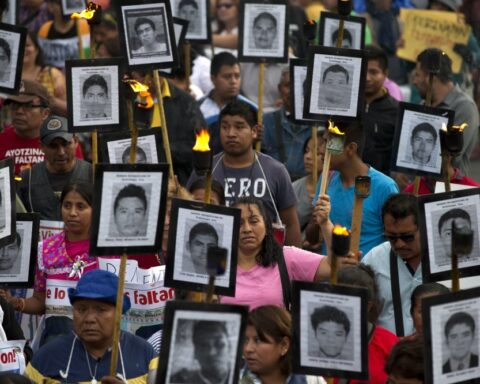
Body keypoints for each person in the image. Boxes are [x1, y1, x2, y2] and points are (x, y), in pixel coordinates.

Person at [188, 100, 302, 247]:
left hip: (265, 262)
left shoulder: (275, 171)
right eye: (225, 127)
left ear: (254, 131)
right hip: (215, 260)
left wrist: (293, 266)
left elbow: (291, 224)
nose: (231, 134)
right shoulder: (204, 170)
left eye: (239, 127)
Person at [219, 197, 356, 309]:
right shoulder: (218, 263)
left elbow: (333, 266)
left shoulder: (286, 257)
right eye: (240, 223)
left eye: (254, 221)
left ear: (267, 226)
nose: (247, 229)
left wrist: (325, 223)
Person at [25, 269, 158, 383]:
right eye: (81, 310)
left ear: (119, 313)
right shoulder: (47, 358)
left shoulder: (145, 354)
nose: (89, 319)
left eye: (101, 310)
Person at [312, 121, 399, 256]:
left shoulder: (385, 187)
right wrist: (318, 220)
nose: (320, 149)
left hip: (367, 273)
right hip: (331, 271)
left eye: (328, 143)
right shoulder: (326, 179)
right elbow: (312, 238)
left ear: (351, 148)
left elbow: (396, 241)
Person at [361, 193, 423, 336]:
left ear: (424, 227)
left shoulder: (444, 260)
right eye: (392, 238)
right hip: (388, 353)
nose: (399, 244)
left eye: (407, 237)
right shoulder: (373, 259)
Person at [414, 48, 479, 176]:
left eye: (417, 75)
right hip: (419, 188)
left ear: (430, 76)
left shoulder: (464, 107)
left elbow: (451, 156)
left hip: (448, 190)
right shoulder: (424, 105)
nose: (414, 81)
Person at [16, 115, 92, 221]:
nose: (61, 152)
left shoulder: (92, 174)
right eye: (53, 146)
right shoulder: (27, 179)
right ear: (41, 147)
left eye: (66, 144)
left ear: (76, 141)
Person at [337, 265, 399, 383]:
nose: (343, 308)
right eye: (338, 299)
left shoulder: (390, 344)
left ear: (368, 306)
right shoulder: (314, 341)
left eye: (350, 301)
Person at [241, 305, 326, 383]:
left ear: (284, 345)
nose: (248, 349)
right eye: (245, 340)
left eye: (258, 340)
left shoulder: (310, 380)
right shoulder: (234, 378)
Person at [197, 53, 257, 153]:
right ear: (213, 78)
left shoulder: (252, 109)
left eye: (237, 76)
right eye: (227, 76)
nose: (233, 81)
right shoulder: (197, 108)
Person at [262, 67, 312, 180]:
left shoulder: (319, 126)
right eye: (288, 85)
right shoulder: (265, 122)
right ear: (280, 89)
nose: (294, 90)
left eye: (299, 84)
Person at [362, 44, 399, 175]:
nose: (366, 78)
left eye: (373, 72)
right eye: (363, 71)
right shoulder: (348, 106)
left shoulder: (397, 111)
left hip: (381, 185)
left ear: (385, 74)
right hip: (347, 182)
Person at [0, 80, 51, 175]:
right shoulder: (1, 140)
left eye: (28, 106)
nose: (19, 111)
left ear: (45, 113)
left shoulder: (61, 142)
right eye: (15, 105)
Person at [21, 31, 67, 117]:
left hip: (48, 128)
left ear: (37, 49)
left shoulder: (52, 74)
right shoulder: (5, 76)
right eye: (18, 45)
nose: (22, 48)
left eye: (27, 45)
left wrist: (49, 100)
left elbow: (69, 110)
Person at [293, 133, 326, 250]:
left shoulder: (333, 187)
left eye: (316, 152)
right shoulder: (294, 188)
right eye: (306, 151)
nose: (308, 156)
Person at [37, 0, 90, 70]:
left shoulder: (84, 27)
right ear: (50, 6)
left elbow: (89, 58)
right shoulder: (44, 30)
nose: (65, 8)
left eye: (68, 3)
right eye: (61, 4)